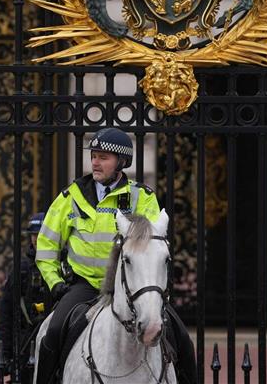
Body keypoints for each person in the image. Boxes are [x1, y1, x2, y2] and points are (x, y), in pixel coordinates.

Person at [33, 127, 196, 384]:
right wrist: (57, 284)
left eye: (103, 157)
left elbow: (154, 247)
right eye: (94, 156)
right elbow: (46, 247)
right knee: (52, 333)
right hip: (84, 286)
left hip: (131, 288)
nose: (96, 162)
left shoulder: (142, 197)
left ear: (121, 162)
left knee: (183, 339)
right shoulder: (70, 197)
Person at [0, 212, 51, 384]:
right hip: (24, 342)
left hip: (51, 337)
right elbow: (7, 312)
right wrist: (6, 354)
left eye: (41, 234)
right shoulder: (21, 268)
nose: (36, 239)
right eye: (34, 235)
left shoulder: (63, 265)